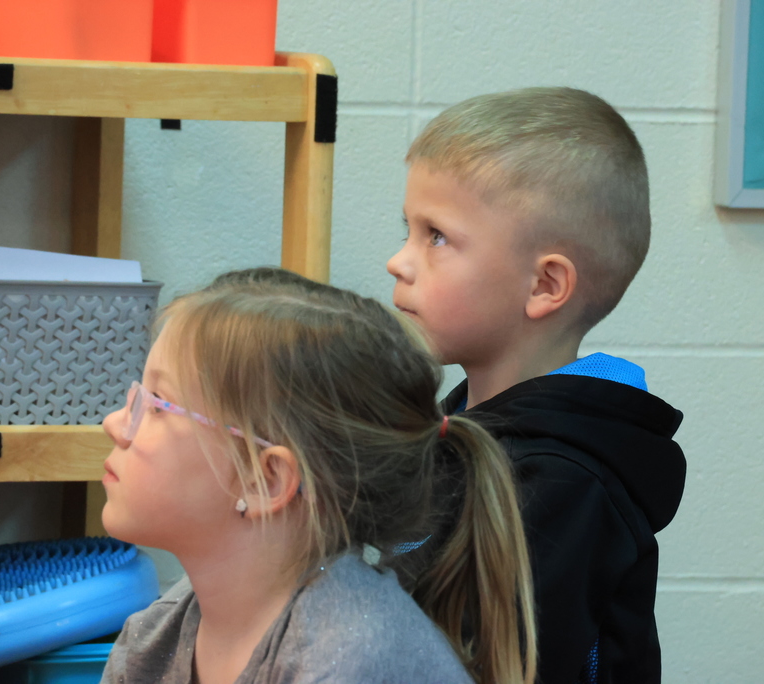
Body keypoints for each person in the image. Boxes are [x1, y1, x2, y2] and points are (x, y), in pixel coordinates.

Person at [99, 271, 537, 684]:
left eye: (158, 405)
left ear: (266, 479)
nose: (116, 424)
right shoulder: (155, 635)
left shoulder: (348, 659)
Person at [386, 87, 687, 684]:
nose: (400, 261)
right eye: (408, 230)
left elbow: (484, 662)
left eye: (436, 237)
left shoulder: (567, 481)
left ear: (546, 286)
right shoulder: (462, 425)